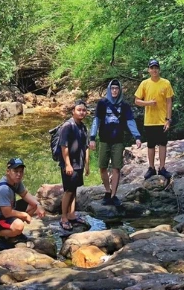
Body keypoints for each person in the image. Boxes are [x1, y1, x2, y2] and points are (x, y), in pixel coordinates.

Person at [90, 79, 142, 206]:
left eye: (116, 88)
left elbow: (130, 121)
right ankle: (107, 191)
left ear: (119, 90)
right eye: (112, 88)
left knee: (116, 168)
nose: (114, 90)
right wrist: (92, 138)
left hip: (118, 140)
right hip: (104, 140)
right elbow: (96, 120)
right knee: (102, 167)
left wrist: (137, 136)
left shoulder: (124, 106)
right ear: (109, 89)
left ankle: (113, 196)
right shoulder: (102, 103)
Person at [0, 157, 46, 250]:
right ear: (8, 171)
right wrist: (24, 215)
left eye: (21, 171)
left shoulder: (15, 182)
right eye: (16, 171)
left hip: (7, 213)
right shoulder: (3, 189)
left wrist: (38, 205)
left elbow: (25, 194)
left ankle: (14, 234)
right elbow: (7, 213)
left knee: (33, 204)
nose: (19, 174)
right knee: (19, 226)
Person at [134, 59, 174, 179]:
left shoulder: (166, 83)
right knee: (150, 145)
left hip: (162, 120)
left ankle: (162, 168)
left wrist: (168, 119)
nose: (154, 70)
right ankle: (151, 168)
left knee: (162, 144)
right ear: (149, 70)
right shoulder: (144, 84)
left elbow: (169, 102)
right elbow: (136, 101)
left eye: (156, 67)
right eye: (152, 68)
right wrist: (148, 103)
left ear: (159, 69)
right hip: (149, 120)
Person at [58, 100, 90, 232]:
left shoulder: (82, 127)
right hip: (70, 165)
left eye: (83, 110)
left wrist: (87, 164)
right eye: (79, 110)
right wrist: (67, 164)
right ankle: (64, 218)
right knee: (68, 190)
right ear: (73, 111)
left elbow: (86, 146)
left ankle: (72, 214)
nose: (81, 112)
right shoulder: (67, 126)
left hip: (79, 163)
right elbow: (63, 146)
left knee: (74, 189)